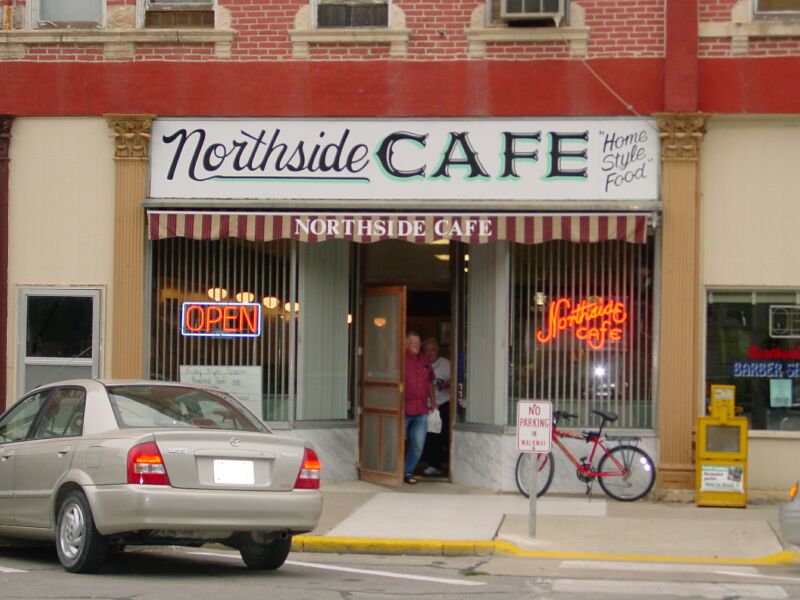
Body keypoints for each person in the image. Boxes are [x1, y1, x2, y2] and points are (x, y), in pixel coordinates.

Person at [403, 330, 436, 485]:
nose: (415, 345)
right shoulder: (400, 359)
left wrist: (433, 402)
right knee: (396, 442)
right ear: (406, 343)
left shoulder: (424, 360)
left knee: (418, 443)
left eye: (417, 343)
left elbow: (430, 382)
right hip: (402, 408)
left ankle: (407, 472)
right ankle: (393, 472)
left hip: (421, 408)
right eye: (412, 342)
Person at [422, 337, 451, 476]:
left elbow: (456, 378)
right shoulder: (422, 363)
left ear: (437, 350)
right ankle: (433, 464)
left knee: (441, 434)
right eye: (426, 350)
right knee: (429, 435)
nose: (429, 352)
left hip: (444, 403)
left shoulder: (446, 363)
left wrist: (446, 383)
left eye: (432, 349)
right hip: (425, 404)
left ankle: (440, 462)